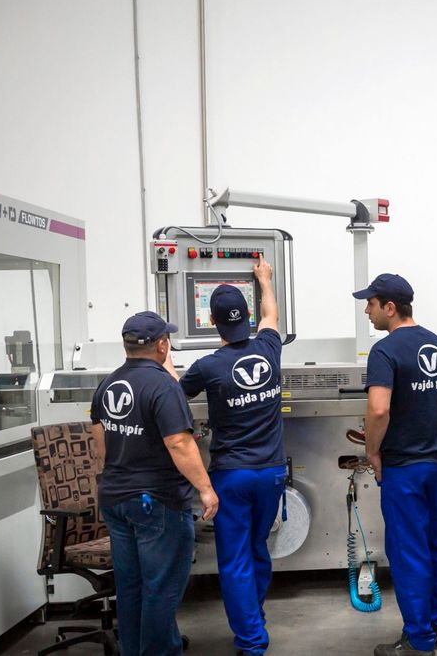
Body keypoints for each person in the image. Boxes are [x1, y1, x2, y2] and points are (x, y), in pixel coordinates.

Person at [91, 311, 218, 656]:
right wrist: (206, 489)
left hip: (115, 498)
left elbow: (100, 442)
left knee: (130, 588)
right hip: (156, 502)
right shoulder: (163, 386)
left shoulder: (108, 384)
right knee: (161, 588)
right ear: (162, 345)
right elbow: (179, 443)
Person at [177, 256, 285, 656]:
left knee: (236, 559)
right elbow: (272, 316)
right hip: (272, 473)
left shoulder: (207, 367)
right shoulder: (269, 349)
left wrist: (163, 357)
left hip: (232, 477)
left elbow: (173, 394)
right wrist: (265, 280)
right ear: (248, 318)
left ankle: (252, 641)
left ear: (212, 321)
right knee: (258, 548)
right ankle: (254, 617)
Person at [356, 273, 437, 656]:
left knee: (408, 553)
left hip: (404, 469)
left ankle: (418, 640)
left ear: (390, 307)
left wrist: (373, 451)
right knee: (434, 544)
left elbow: (378, 409)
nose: (367, 311)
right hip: (436, 462)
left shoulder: (384, 351)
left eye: (371, 304)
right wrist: (423, 414)